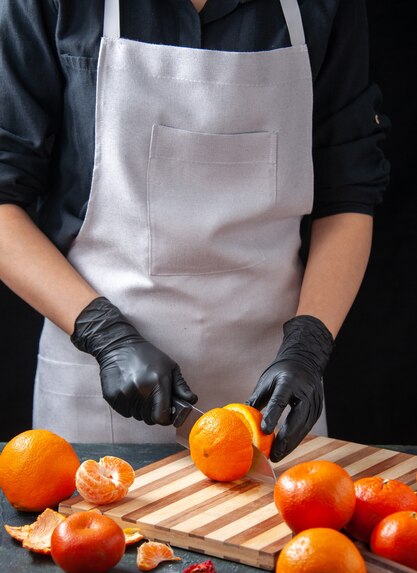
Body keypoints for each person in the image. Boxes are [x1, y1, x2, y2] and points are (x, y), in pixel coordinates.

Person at [0, 0, 389, 461]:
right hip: (97, 387)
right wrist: (104, 335)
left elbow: (346, 197)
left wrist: (310, 345)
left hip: (273, 396)